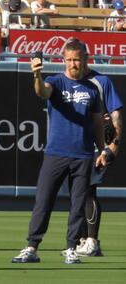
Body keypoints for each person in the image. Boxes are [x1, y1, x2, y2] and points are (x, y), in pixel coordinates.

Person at [11, 38, 107, 264]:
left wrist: (102, 151)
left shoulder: (93, 89)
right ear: (64, 60)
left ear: (85, 60)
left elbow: (96, 124)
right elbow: (42, 92)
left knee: (77, 205)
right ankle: (32, 247)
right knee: (43, 201)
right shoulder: (55, 81)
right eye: (70, 59)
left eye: (78, 59)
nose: (74, 64)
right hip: (56, 153)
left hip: (83, 155)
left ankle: (72, 248)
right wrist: (36, 75)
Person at [72, 69, 123, 257]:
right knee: (78, 192)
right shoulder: (67, 80)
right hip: (77, 143)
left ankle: (92, 241)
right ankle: (84, 240)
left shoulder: (101, 81)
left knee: (87, 190)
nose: (74, 63)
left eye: (78, 58)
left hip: (97, 146)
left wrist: (112, 146)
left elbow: (116, 114)